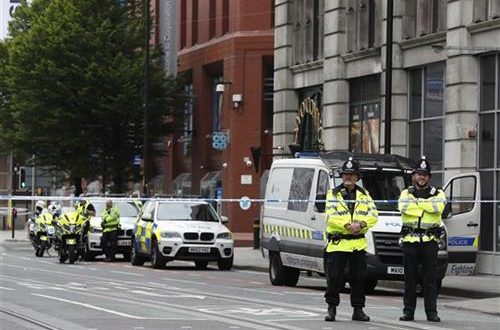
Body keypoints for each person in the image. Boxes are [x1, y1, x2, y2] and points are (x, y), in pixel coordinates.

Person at [324, 157, 378, 322]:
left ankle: (358, 310)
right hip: (338, 244)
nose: (349, 177)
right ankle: (331, 309)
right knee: (334, 279)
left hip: (357, 245)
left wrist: (361, 224)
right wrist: (349, 225)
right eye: (346, 174)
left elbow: (373, 215)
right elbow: (331, 217)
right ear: (341, 176)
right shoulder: (332, 194)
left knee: (359, 279)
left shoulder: (364, 195)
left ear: (357, 177)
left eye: (352, 174)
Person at [398, 156, 446, 322]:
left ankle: (431, 312)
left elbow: (438, 207)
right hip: (410, 240)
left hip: (429, 241)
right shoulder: (406, 192)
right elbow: (403, 207)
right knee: (409, 280)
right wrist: (425, 206)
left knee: (430, 280)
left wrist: (416, 204)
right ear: (414, 176)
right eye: (419, 174)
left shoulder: (438, 193)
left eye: (425, 174)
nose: (421, 177)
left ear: (429, 177)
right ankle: (408, 312)